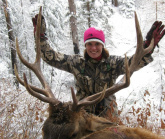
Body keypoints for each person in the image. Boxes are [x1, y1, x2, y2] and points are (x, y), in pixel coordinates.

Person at [32, 15, 165, 121]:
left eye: (97, 44)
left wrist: (148, 45)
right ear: (85, 46)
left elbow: (134, 63)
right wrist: (41, 38)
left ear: (103, 45)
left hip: (108, 117)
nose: (93, 48)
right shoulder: (76, 62)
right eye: (89, 44)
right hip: (82, 117)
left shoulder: (113, 63)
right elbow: (51, 57)